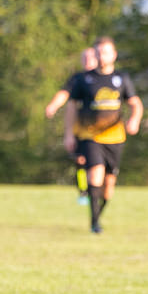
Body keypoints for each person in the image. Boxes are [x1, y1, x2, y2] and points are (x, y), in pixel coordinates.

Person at [68, 36, 143, 233]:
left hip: (115, 137)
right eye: (99, 53)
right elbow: (71, 107)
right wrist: (69, 133)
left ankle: (97, 215)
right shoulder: (84, 79)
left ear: (114, 55)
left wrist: (134, 119)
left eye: (106, 52)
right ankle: (94, 224)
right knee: (95, 173)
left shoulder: (122, 78)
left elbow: (135, 103)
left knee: (109, 185)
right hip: (91, 136)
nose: (102, 56)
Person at [45, 47, 98, 204]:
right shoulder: (77, 79)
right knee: (81, 160)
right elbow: (64, 94)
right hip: (80, 127)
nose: (87, 61)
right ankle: (84, 192)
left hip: (101, 129)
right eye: (84, 58)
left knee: (98, 164)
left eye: (90, 58)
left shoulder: (105, 78)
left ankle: (96, 190)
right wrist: (53, 106)